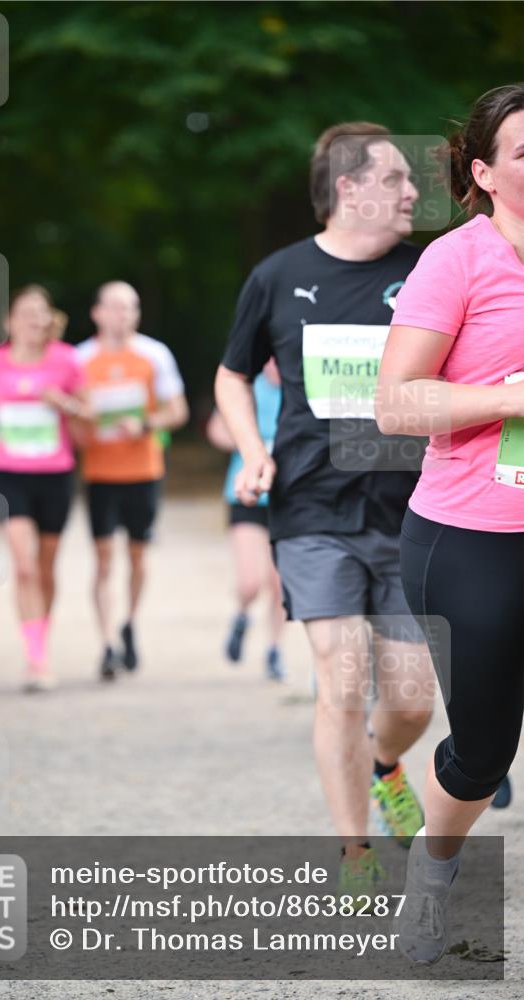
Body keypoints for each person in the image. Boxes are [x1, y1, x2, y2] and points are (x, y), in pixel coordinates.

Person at [215, 122, 437, 898]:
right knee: (340, 681)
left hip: (412, 511)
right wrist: (252, 450)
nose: (413, 193)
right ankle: (354, 854)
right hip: (311, 510)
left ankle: (385, 763)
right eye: (396, 178)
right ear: (348, 188)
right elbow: (232, 375)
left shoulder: (427, 273)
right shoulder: (278, 276)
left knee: (411, 698)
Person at [375, 83, 524, 963]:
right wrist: (508, 399)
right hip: (472, 538)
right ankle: (432, 874)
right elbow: (395, 404)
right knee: (481, 750)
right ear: (485, 173)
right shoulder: (457, 261)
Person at [0, 285, 88, 692]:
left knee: (46, 567)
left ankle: (40, 638)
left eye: (41, 312)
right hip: (8, 475)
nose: (34, 320)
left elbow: (88, 411)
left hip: (55, 475)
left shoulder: (67, 360)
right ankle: (36, 657)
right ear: (9, 321)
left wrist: (65, 404)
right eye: (25, 312)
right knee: (23, 566)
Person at [75, 281, 188, 680]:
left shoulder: (155, 354)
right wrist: (82, 420)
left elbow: (177, 411)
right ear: (97, 313)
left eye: (131, 307)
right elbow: (72, 421)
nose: (123, 315)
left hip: (143, 471)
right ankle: (107, 643)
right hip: (100, 473)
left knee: (138, 557)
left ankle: (130, 623)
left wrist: (144, 424)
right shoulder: (80, 359)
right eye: (115, 307)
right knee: (104, 558)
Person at [207, 357, 287, 681]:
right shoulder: (246, 388)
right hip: (246, 494)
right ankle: (242, 615)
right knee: (250, 582)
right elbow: (216, 430)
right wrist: (251, 446)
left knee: (280, 584)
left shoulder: (300, 388)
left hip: (287, 499)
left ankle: (274, 650)